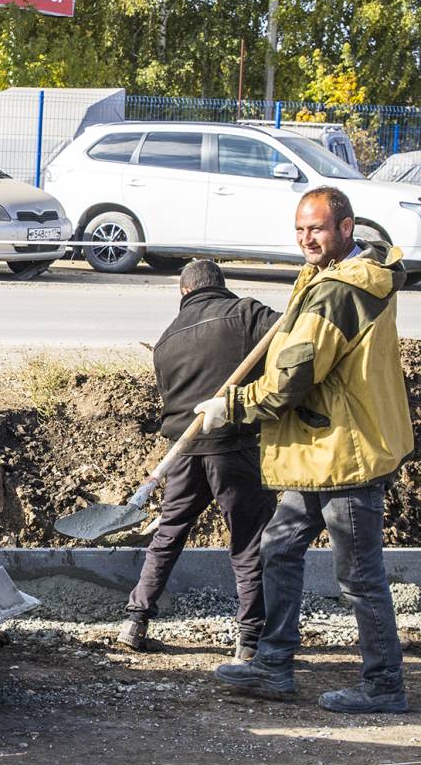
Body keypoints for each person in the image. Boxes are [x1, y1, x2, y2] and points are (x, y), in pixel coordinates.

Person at [203, 187, 414, 713]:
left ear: (346, 227)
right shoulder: (332, 278)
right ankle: (274, 665)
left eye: (316, 228)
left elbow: (291, 380)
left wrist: (230, 406)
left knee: (359, 574)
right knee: (279, 546)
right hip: (319, 448)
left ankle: (384, 684)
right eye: (300, 230)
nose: (306, 239)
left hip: (345, 452)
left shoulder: (340, 291)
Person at [116, 260, 279, 660]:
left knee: (168, 535)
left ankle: (135, 620)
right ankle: (250, 639)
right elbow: (292, 338)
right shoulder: (246, 313)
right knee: (248, 541)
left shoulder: (167, 339)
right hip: (233, 446)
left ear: (184, 293)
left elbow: (169, 399)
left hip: (184, 453)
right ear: (220, 286)